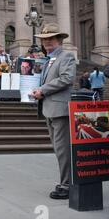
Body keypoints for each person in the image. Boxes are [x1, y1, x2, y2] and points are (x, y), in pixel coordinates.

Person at [30, 23, 76, 200]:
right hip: (49, 109)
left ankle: (66, 185)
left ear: (59, 40)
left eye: (50, 39)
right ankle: (67, 181)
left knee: (63, 149)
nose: (47, 43)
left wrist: (43, 90)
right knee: (59, 149)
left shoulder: (66, 56)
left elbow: (66, 79)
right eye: (44, 40)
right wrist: (39, 92)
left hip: (60, 110)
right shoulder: (50, 59)